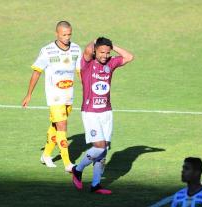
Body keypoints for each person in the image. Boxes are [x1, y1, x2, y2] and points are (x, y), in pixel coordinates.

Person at [70, 37, 134, 194]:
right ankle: (77, 170)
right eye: (101, 52)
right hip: (90, 112)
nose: (105, 55)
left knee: (104, 151)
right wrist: (95, 40)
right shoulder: (87, 64)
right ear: (95, 51)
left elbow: (129, 57)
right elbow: (86, 50)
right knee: (99, 146)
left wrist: (113, 46)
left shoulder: (111, 63)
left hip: (106, 112)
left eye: (107, 52)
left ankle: (96, 185)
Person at [22, 21, 81, 172]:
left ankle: (46, 155)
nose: (67, 37)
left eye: (69, 34)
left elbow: (80, 72)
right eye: (64, 35)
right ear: (57, 34)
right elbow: (36, 72)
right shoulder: (47, 51)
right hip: (54, 97)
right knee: (62, 126)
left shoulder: (76, 49)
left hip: (69, 95)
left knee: (56, 126)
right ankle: (68, 164)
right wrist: (29, 94)